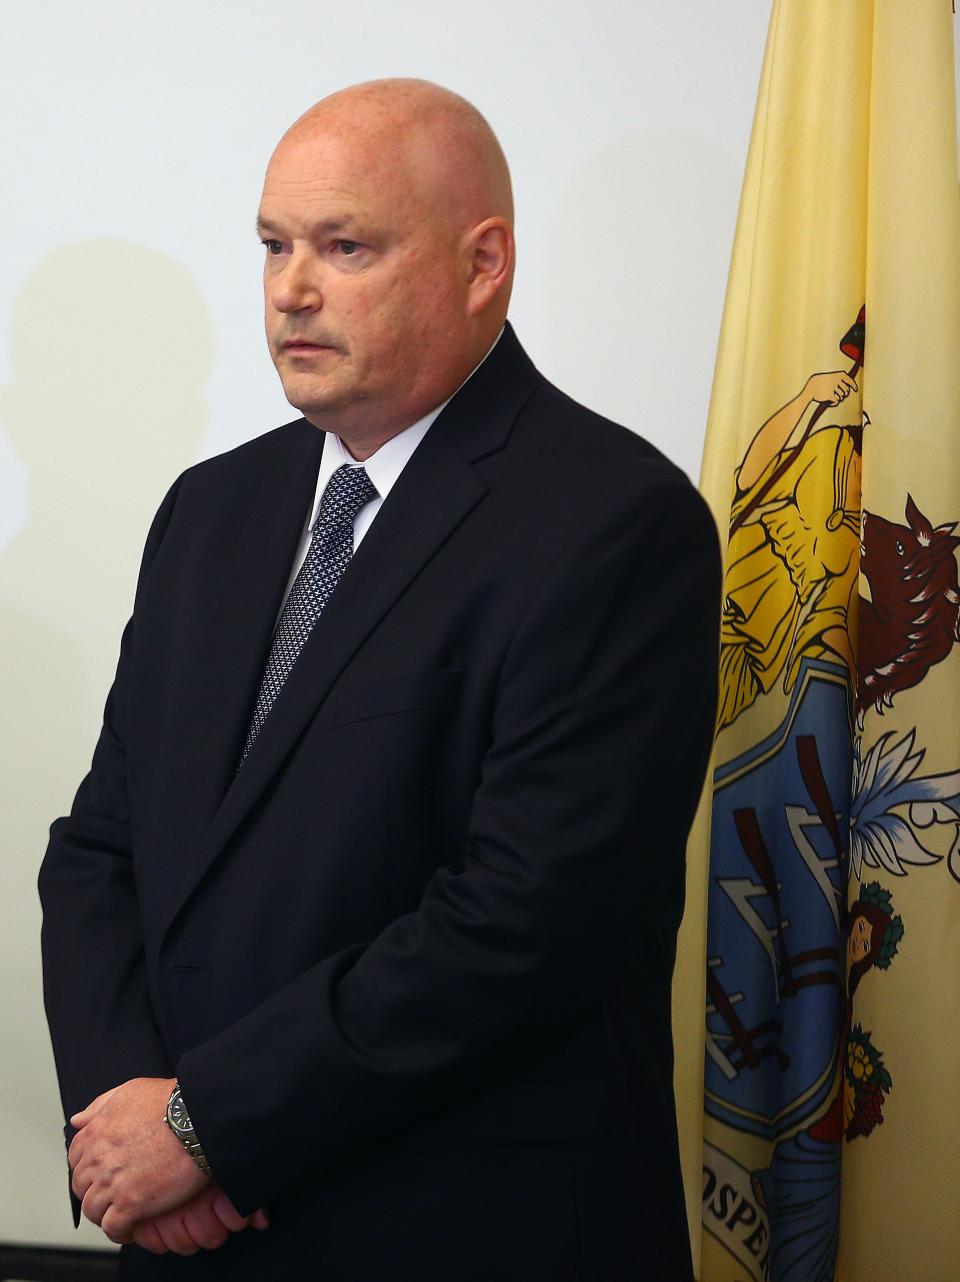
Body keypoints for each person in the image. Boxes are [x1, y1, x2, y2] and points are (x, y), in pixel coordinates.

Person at [39, 79, 721, 1280]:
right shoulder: (212, 511)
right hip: (189, 1236)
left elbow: (523, 926)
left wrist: (208, 1126)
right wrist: (126, 1124)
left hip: (457, 1234)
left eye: (343, 246)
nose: (291, 288)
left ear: (483, 263)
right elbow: (104, 850)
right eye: (273, 246)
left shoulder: (615, 522)